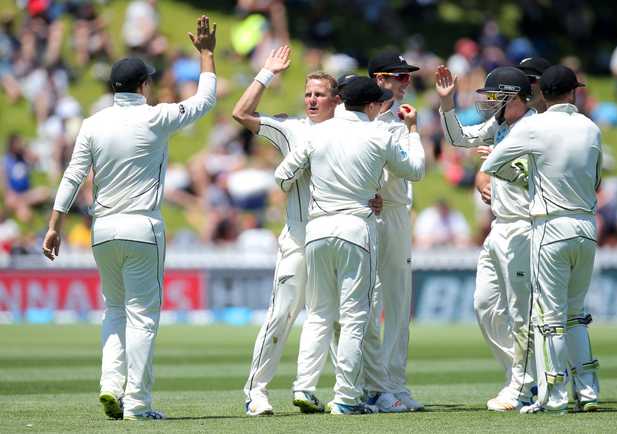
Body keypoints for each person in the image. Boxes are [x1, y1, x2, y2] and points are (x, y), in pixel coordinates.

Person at [42, 15, 218, 421]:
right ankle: (137, 403)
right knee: (142, 318)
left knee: (114, 311)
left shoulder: (93, 123)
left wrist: (54, 226)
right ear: (143, 86)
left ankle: (110, 384)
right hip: (142, 227)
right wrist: (207, 54)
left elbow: (72, 175)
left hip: (102, 230)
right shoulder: (155, 117)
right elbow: (206, 100)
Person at [232, 47, 383, 415]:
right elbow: (242, 113)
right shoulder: (293, 129)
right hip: (299, 239)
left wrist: (373, 197)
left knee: (338, 319)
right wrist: (267, 73)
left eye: (319, 94)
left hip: (333, 233)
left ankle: (341, 393)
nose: (312, 100)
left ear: (337, 100)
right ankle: (256, 392)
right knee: (281, 315)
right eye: (308, 94)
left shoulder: (352, 132)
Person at [275, 77, 424, 415]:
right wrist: (413, 132)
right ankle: (345, 396)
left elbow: (282, 177)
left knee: (318, 314)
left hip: (317, 228)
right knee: (355, 316)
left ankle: (304, 387)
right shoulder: (378, 134)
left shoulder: (317, 132)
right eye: (378, 103)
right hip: (356, 228)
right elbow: (415, 171)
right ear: (370, 106)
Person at [481, 65, 601, 414]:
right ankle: (588, 392)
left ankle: (554, 396)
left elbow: (493, 164)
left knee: (550, 316)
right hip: (586, 226)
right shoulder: (591, 127)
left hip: (549, 226)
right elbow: (596, 180)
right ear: (573, 92)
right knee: (576, 314)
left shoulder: (534, 126)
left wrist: (525, 178)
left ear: (542, 96)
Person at [435, 64, 537, 411]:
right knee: (485, 306)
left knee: (521, 311)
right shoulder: (501, 125)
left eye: (496, 95)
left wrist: (498, 162)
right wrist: (446, 103)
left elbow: (541, 178)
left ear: (515, 97)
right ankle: (523, 375)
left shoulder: (536, 128)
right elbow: (458, 139)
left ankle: (523, 385)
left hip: (525, 225)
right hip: (499, 227)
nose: (490, 101)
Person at [366, 50, 424, 411]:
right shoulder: (365, 120)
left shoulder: (400, 119)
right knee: (370, 303)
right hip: (374, 213)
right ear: (379, 79)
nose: (406, 83)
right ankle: (373, 385)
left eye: (408, 77)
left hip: (399, 212)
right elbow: (414, 168)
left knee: (399, 303)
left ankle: (395, 383)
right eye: (399, 76)